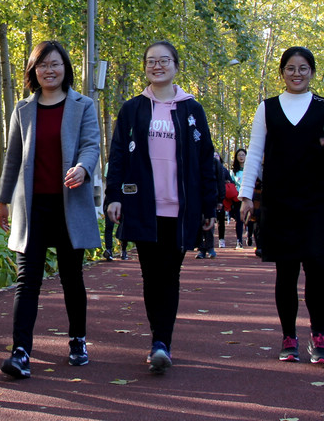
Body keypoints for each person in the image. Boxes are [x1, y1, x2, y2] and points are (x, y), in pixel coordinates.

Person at [105, 40, 217, 375]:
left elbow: (205, 160)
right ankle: (159, 342)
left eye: (164, 60)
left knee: (170, 274)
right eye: (151, 61)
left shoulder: (192, 109)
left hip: (181, 209)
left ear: (176, 66)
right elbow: (118, 155)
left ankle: (161, 341)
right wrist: (114, 196)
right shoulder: (132, 109)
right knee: (151, 275)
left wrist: (209, 206)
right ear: (145, 67)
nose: (157, 66)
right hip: (143, 206)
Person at [0, 40, 101, 379]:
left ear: (65, 68)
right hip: (33, 207)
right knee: (27, 280)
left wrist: (83, 168)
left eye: (55, 64)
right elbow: (13, 157)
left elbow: (91, 144)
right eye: (42, 65)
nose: (49, 70)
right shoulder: (23, 109)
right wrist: (2, 200)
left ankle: (78, 340)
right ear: (33, 70)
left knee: (72, 277)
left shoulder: (83, 105)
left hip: (69, 203)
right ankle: (20, 352)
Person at [239, 46, 324, 365]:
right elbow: (254, 154)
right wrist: (246, 197)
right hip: (278, 199)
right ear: (282, 72)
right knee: (285, 270)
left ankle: (319, 336)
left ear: (311, 72)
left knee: (316, 266)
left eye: (303, 68)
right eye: (290, 68)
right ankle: (289, 337)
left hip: (314, 201)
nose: (296, 74)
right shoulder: (267, 108)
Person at [197, 152, 227, 259]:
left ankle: (210, 248)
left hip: (211, 197)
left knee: (209, 222)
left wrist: (220, 200)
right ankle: (201, 248)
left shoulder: (215, 162)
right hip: (197, 197)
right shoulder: (194, 160)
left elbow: (220, 181)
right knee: (199, 222)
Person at [231, 149, 247, 249]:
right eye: (239, 155)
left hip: (248, 197)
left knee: (250, 220)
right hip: (238, 198)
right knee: (239, 220)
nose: (241, 157)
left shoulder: (249, 170)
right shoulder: (233, 171)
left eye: (243, 155)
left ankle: (249, 236)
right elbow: (231, 183)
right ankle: (239, 241)